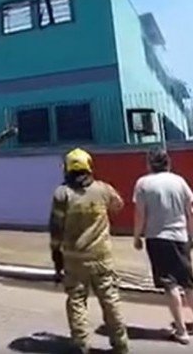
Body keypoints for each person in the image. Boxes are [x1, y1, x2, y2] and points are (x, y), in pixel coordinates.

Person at [50, 148, 129, 354]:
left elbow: (55, 229)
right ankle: (120, 344)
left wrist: (56, 258)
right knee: (110, 300)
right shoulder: (103, 189)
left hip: (74, 260)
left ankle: (81, 344)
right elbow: (118, 205)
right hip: (102, 257)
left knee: (77, 301)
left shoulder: (62, 194)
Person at [132, 147, 193, 344]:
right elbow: (191, 211)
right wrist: (191, 236)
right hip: (180, 237)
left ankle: (181, 330)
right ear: (168, 162)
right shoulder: (179, 181)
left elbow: (140, 214)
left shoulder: (143, 183)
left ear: (149, 163)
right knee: (189, 283)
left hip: (157, 238)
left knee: (170, 284)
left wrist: (137, 236)